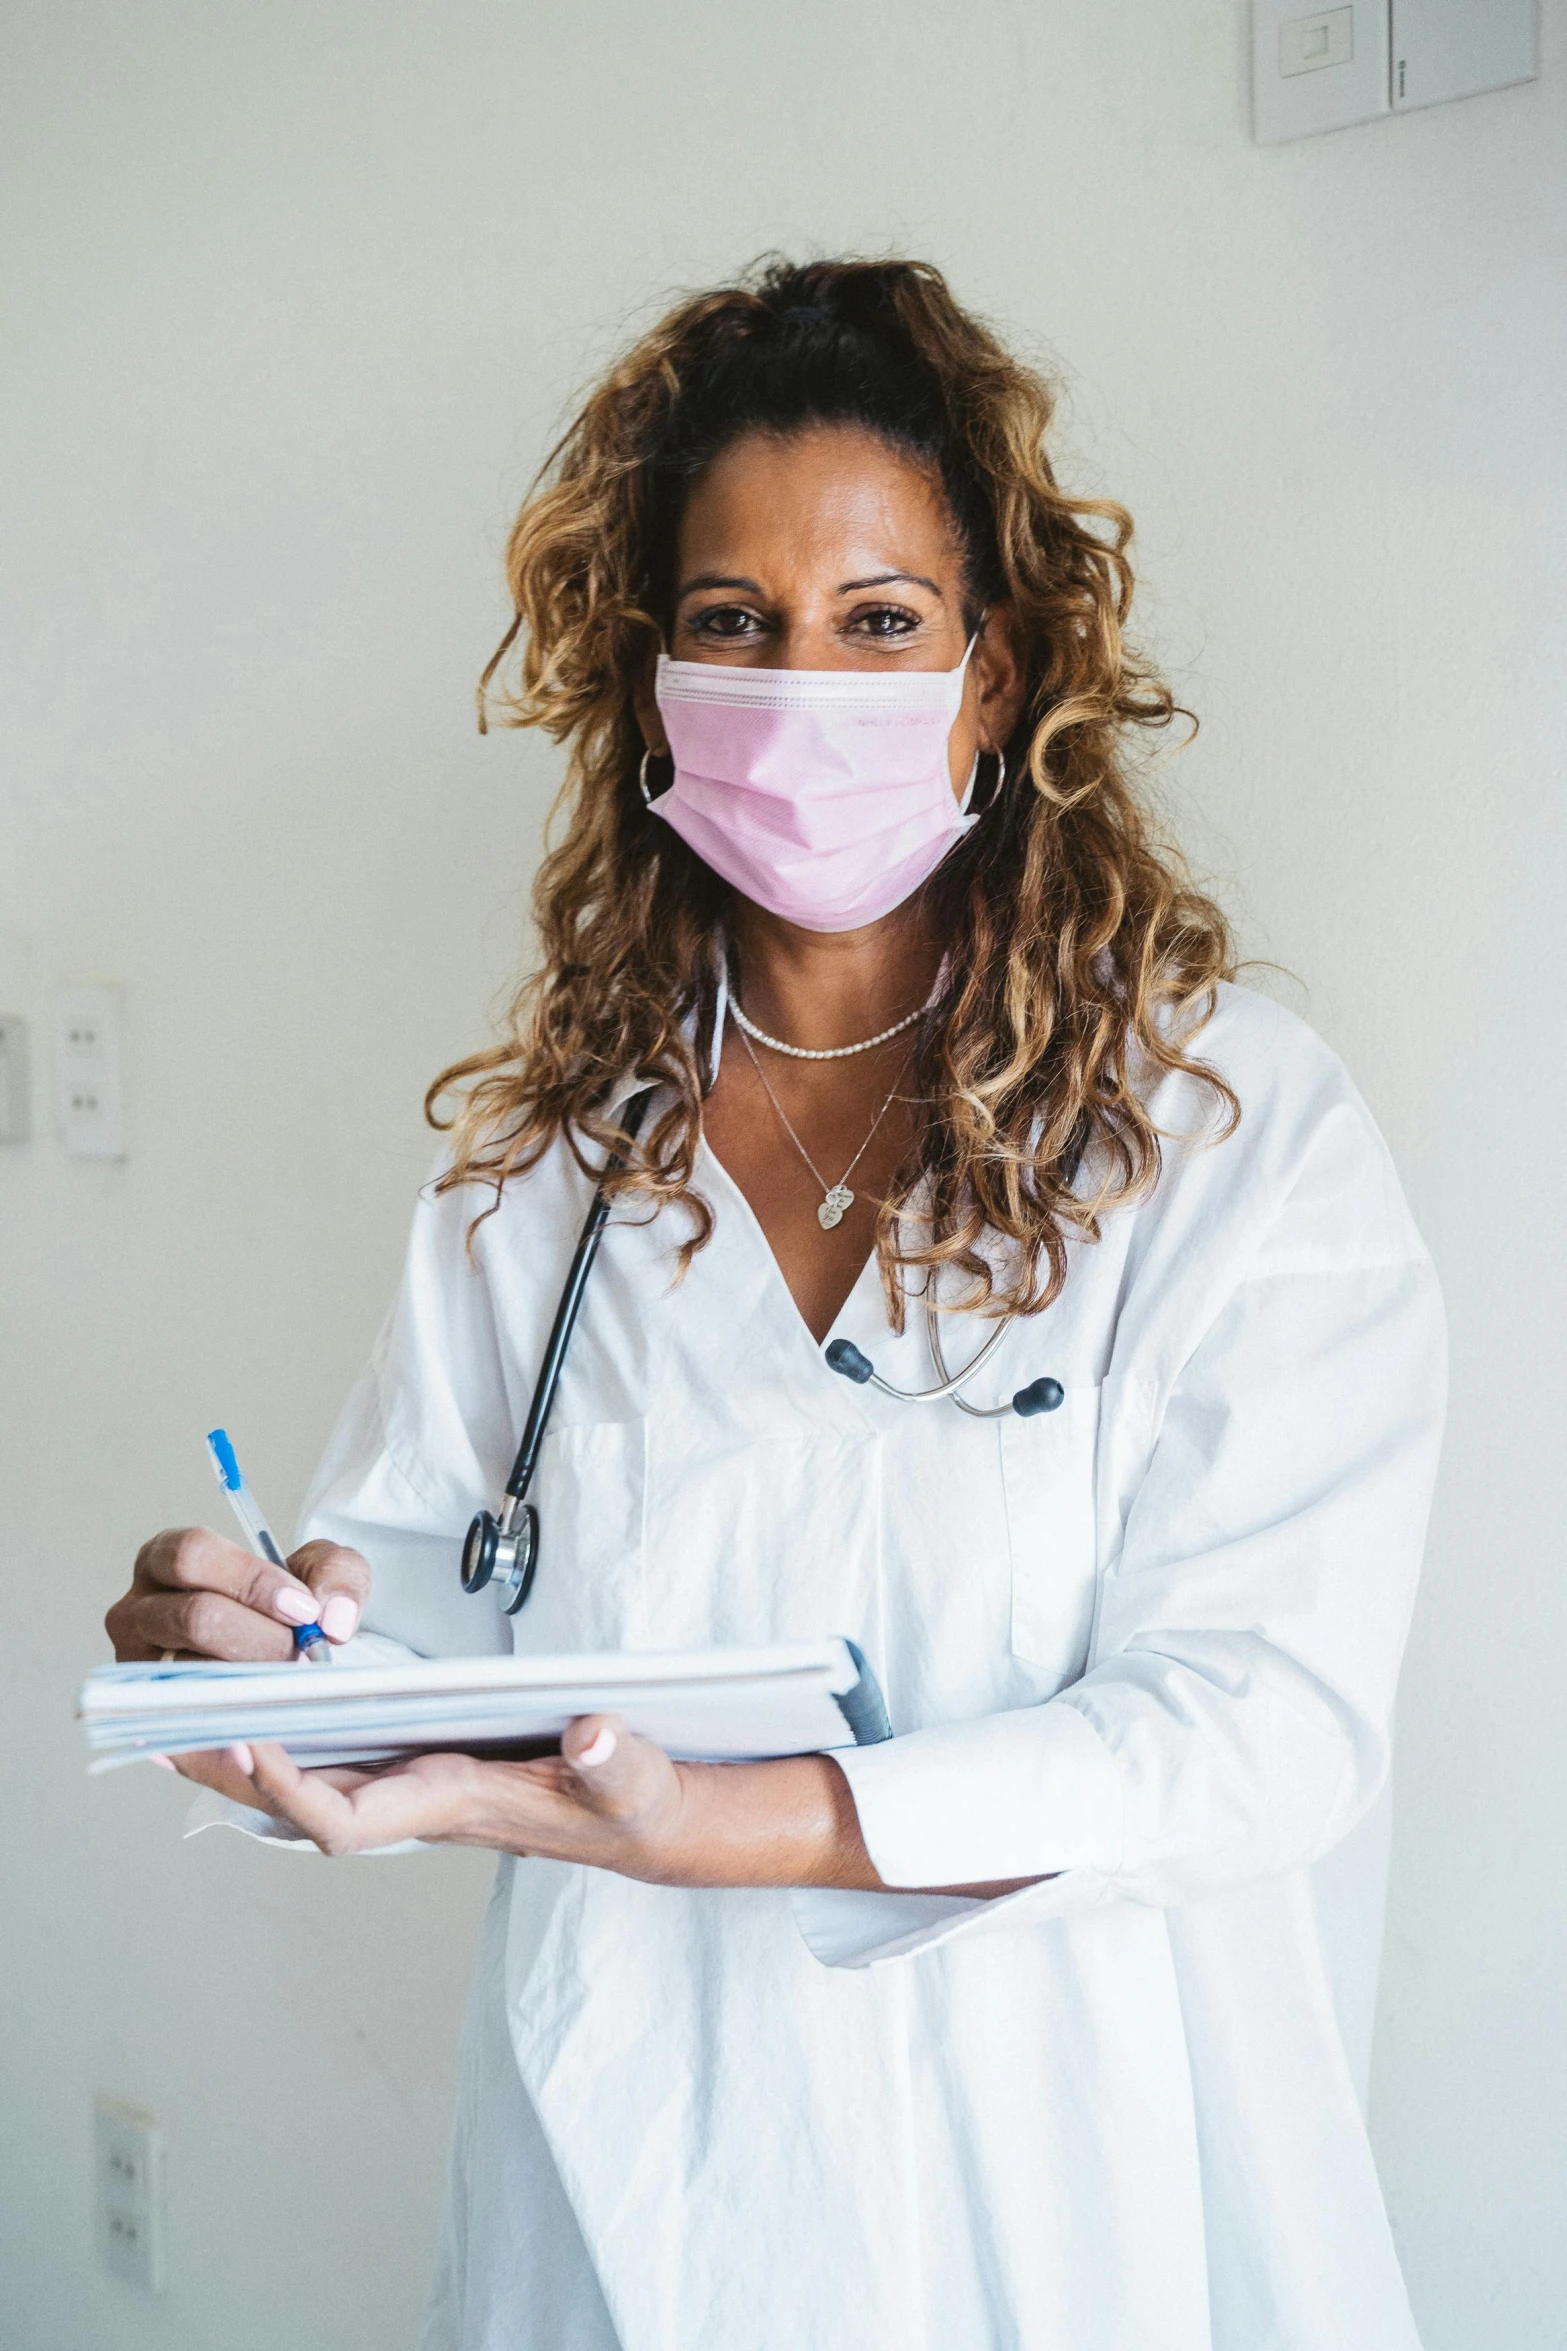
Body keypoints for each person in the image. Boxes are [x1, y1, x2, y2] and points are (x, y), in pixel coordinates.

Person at [106, 258, 1445, 2351]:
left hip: (1065, 2194)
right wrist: (279, 1650)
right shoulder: (543, 1159)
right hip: (626, 2177)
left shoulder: (1227, 1131)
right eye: (731, 623)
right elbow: (420, 1591)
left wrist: (723, 1820)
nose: (799, 681)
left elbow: (1257, 1732)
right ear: (651, 678)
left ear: (996, 676)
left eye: (878, 623)